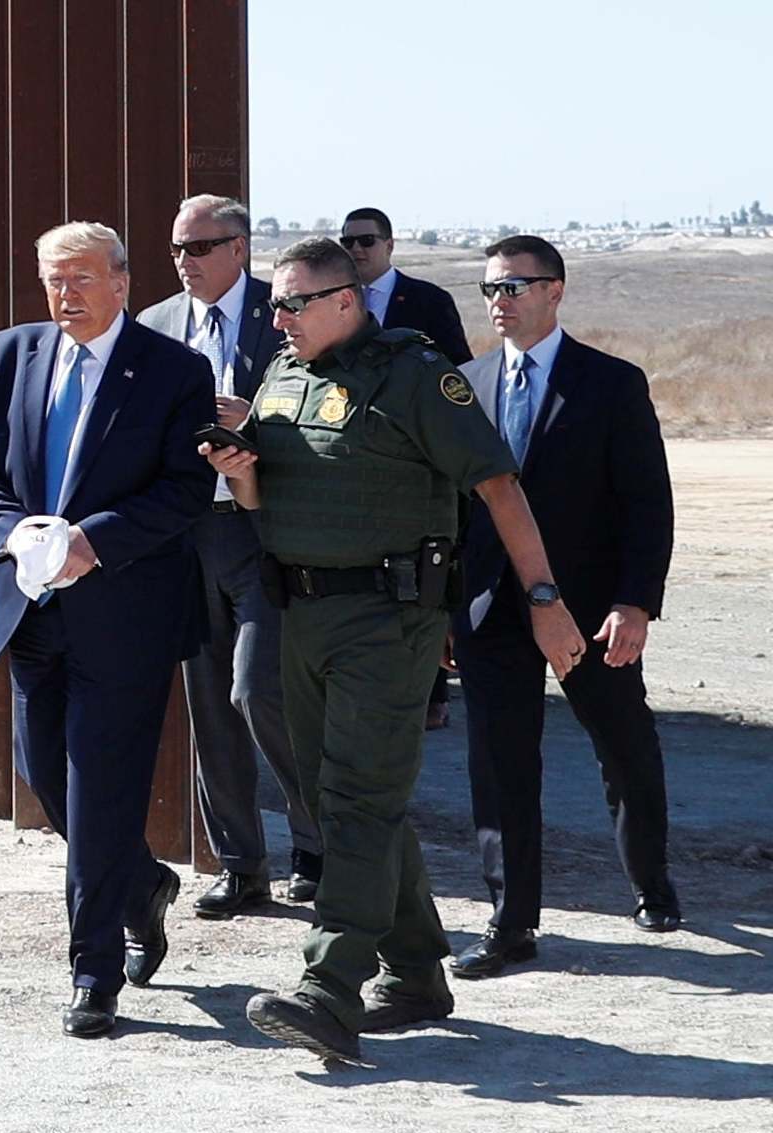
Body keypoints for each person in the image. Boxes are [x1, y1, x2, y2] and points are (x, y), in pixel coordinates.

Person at [202, 237, 586, 1064]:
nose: (277, 317)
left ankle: (329, 987)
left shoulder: (415, 372)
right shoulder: (283, 373)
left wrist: (545, 598)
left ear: (347, 300)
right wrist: (239, 469)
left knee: (357, 799)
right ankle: (416, 970)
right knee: (335, 793)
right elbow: (272, 491)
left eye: (293, 303)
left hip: (390, 616)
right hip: (300, 610)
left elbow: (498, 485)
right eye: (274, 302)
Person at [0, 221, 217, 1038]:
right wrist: (13, 531)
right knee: (45, 776)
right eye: (53, 281)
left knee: (102, 789)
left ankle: (93, 970)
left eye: (82, 279)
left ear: (124, 281)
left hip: (125, 613)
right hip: (31, 605)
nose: (66, 295)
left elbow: (185, 489)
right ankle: (140, 884)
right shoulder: (12, 353)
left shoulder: (175, 370)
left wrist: (92, 542)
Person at [449, 235, 680, 980]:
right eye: (490, 288)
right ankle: (511, 922)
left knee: (624, 746)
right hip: (492, 610)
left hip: (589, 612)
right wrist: (447, 609)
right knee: (500, 764)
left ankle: (650, 880)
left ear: (556, 290)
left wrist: (636, 603)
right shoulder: (467, 384)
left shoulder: (610, 383)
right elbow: (451, 510)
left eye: (515, 286)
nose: (499, 301)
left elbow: (648, 504)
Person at [136, 194, 323, 917]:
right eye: (177, 249)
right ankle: (242, 864)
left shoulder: (281, 317)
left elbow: (322, 413)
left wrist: (259, 424)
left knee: (259, 690)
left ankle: (317, 842)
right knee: (209, 702)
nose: (185, 261)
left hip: (262, 531)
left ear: (239, 248)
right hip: (186, 536)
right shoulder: (154, 326)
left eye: (200, 248)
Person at [340, 206, 474, 731]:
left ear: (390, 245)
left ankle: (433, 691)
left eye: (366, 241)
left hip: (421, 453)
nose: (356, 250)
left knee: (425, 571)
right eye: (348, 240)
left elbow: (456, 369)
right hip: (356, 458)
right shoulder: (337, 304)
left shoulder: (426, 301)